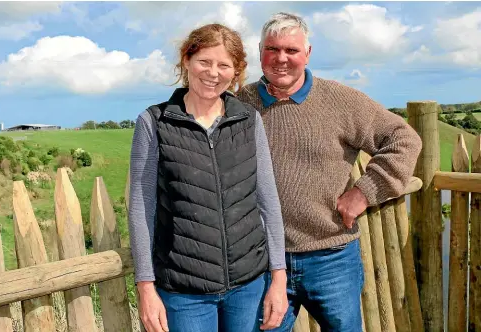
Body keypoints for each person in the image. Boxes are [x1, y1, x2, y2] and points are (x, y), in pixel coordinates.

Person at [236, 12, 423, 332]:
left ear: (307, 54)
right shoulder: (239, 104)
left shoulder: (341, 100)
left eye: (291, 50)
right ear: (260, 51)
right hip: (263, 262)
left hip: (332, 258)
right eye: (272, 49)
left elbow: (404, 138)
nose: (281, 58)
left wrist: (365, 192)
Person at [128, 23, 289, 332]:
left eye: (224, 65)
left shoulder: (248, 120)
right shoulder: (154, 122)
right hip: (184, 291)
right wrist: (146, 288)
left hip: (248, 285)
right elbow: (140, 211)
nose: (213, 72)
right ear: (187, 61)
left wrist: (278, 278)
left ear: (236, 72)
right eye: (204, 61)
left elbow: (267, 202)